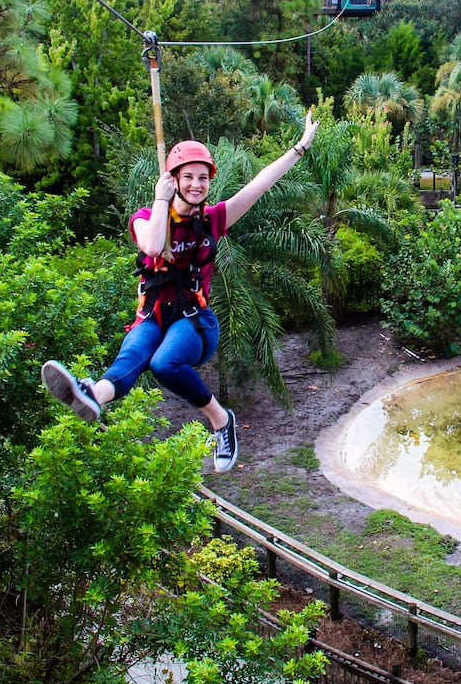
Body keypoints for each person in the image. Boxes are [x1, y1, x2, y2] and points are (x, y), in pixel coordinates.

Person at [41, 112, 319, 473]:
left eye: (203, 178)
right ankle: (92, 396)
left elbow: (260, 184)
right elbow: (153, 246)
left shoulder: (213, 219)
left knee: (164, 363)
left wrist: (300, 146)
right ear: (173, 180)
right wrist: (161, 200)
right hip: (153, 318)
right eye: (188, 177)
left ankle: (221, 420)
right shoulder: (145, 217)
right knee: (130, 360)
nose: (196, 184)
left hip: (195, 322)